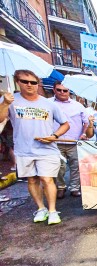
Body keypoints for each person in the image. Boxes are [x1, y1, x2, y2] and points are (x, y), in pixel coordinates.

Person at [0, 69, 70, 225]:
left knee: (47, 179)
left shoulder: (48, 103)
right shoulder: (11, 101)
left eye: (33, 82)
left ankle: (52, 211)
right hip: (23, 149)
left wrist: (54, 136)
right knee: (32, 180)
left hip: (47, 148)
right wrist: (4, 103)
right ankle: (41, 208)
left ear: (38, 84)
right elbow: (1, 119)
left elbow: (65, 124)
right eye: (25, 82)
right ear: (18, 82)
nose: (29, 85)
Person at [50, 81, 89, 199]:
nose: (62, 92)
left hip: (74, 142)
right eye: (59, 90)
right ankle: (61, 187)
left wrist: (83, 134)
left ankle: (74, 188)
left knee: (76, 166)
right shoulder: (48, 103)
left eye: (65, 90)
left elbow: (86, 122)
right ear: (54, 90)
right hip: (55, 142)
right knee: (58, 167)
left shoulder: (77, 105)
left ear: (69, 92)